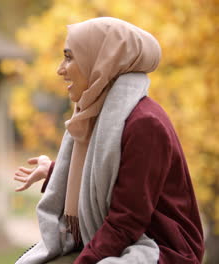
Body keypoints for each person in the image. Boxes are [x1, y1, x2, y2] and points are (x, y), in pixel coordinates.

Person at [13, 17, 204, 264]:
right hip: (126, 237)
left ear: (101, 61)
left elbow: (126, 221)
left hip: (163, 246)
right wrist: (54, 171)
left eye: (70, 57)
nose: (60, 69)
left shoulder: (144, 124)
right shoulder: (95, 112)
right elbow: (107, 176)